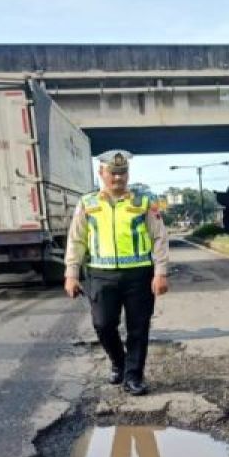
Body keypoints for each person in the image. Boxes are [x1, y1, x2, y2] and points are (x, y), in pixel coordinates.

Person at [64, 150, 170, 396]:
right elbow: (76, 240)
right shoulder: (88, 203)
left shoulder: (144, 201)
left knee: (138, 327)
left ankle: (134, 376)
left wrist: (161, 272)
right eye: (113, 173)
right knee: (103, 324)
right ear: (101, 173)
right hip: (101, 275)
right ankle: (119, 363)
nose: (118, 178)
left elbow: (159, 238)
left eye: (122, 173)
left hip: (139, 275)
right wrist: (71, 273)